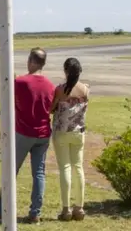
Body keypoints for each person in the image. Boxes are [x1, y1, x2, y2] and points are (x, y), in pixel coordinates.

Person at [0, 48, 56, 224]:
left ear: (31, 61)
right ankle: (35, 213)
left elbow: (7, 100)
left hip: (24, 133)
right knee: (39, 173)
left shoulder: (20, 82)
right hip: (43, 134)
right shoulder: (50, 85)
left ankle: (2, 209)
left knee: (10, 171)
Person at [51, 57, 88, 221]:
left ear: (65, 71)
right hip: (78, 132)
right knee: (78, 167)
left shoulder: (59, 89)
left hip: (61, 132)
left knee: (65, 168)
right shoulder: (85, 89)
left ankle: (66, 209)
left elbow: (51, 109)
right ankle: (79, 207)